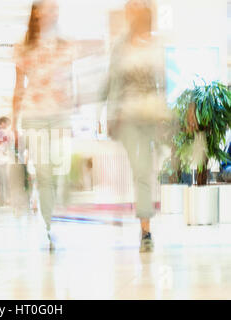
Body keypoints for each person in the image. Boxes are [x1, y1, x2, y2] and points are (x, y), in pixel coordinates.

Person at [103, 0, 169, 252]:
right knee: (141, 170)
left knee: (147, 171)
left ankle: (145, 226)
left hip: (151, 116)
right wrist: (110, 115)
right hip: (128, 117)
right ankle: (145, 229)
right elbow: (113, 82)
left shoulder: (155, 46)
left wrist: (163, 116)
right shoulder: (120, 47)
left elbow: (161, 83)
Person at [12, 0, 74, 249]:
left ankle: (54, 216)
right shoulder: (23, 47)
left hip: (59, 115)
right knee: (45, 173)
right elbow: (18, 87)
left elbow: (70, 81)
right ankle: (49, 226)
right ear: (36, 14)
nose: (51, 11)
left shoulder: (64, 45)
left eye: (54, 7)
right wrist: (14, 121)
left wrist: (72, 104)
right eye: (46, 7)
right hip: (34, 116)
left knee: (59, 169)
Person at [0, 117, 12, 207]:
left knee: (4, 179)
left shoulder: (4, 132)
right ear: (2, 123)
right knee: (4, 179)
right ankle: (5, 199)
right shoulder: (1, 132)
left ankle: (4, 199)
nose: (7, 125)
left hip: (3, 158)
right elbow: (0, 144)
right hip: (2, 158)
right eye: (6, 123)